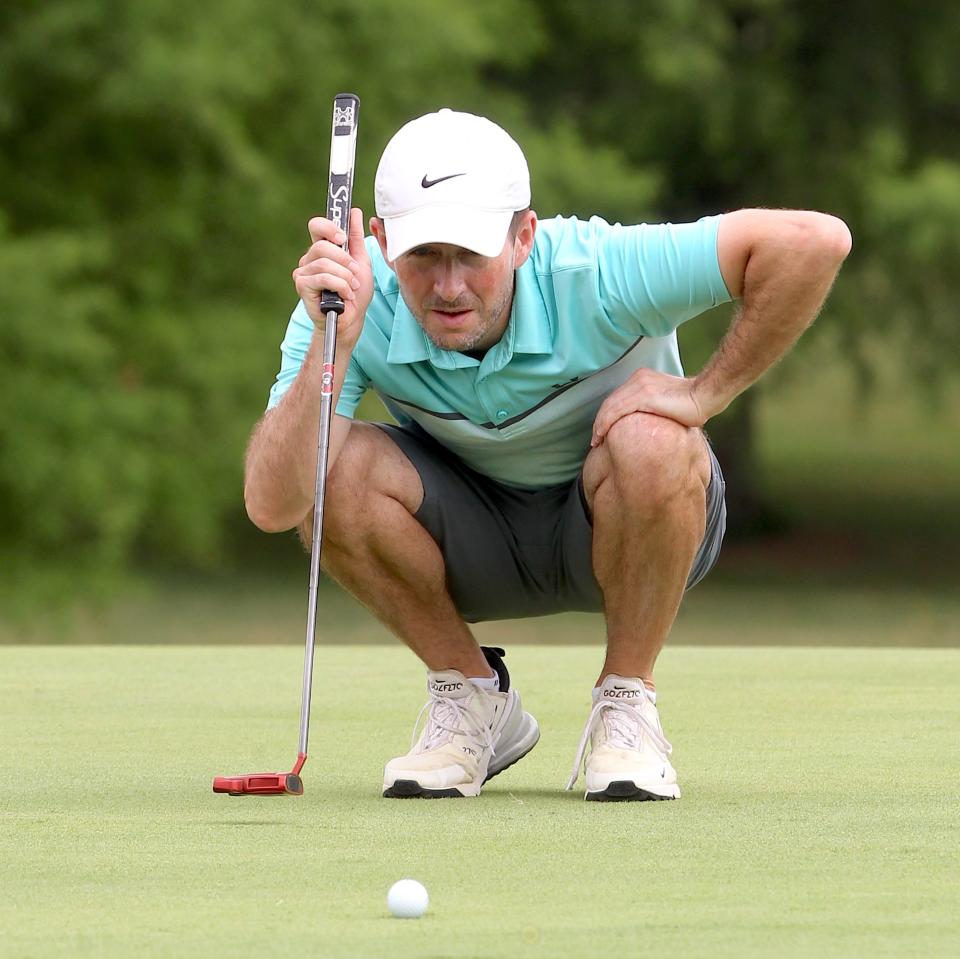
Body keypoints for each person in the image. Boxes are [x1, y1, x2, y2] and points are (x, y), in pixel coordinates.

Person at [244, 108, 851, 802]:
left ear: (523, 236)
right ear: (380, 241)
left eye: (470, 254)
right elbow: (273, 504)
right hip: (471, 543)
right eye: (423, 256)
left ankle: (626, 702)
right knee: (332, 466)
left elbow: (815, 241)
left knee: (653, 438)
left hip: (628, 528)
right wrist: (334, 344)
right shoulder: (348, 300)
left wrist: (705, 394)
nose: (447, 286)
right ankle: (471, 696)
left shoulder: (597, 271)